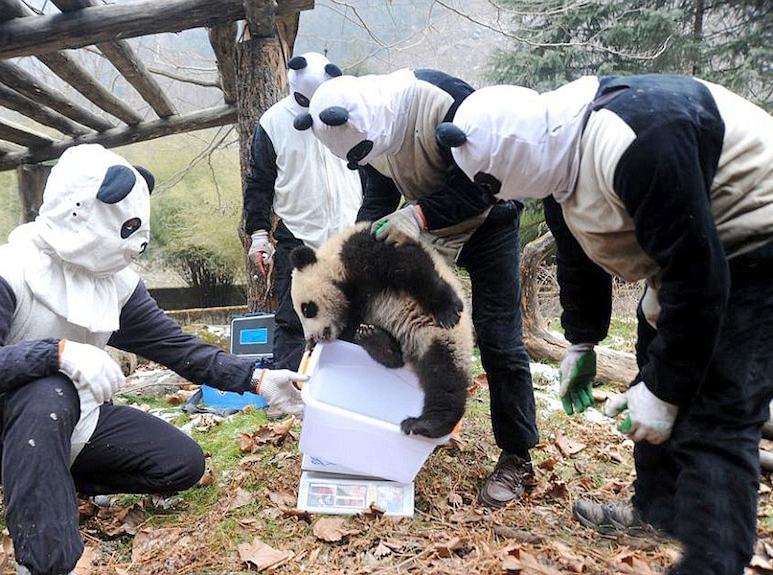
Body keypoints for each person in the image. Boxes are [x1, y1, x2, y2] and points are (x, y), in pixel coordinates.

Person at [435, 73, 773, 575]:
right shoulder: (555, 157)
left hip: (754, 247)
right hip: (696, 256)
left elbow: (699, 281)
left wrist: (665, 390)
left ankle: (713, 561)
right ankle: (658, 509)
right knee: (651, 367)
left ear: (511, 157)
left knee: (713, 413)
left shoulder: (636, 141)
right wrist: (583, 340)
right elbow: (578, 252)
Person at [0, 143, 308, 575]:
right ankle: (46, 563)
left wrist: (257, 380)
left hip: (76, 417)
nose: (136, 245)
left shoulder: (114, 281)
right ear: (79, 211)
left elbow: (176, 346)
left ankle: (48, 483)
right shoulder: (5, 269)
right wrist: (56, 354)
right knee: (48, 389)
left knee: (181, 463)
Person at [293, 68, 541, 508]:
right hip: (425, 225)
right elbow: (377, 199)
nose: (361, 162)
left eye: (360, 155)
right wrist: (354, 245)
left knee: (500, 338)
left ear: (367, 121)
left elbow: (484, 183)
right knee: (382, 318)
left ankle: (516, 455)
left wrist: (420, 216)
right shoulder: (366, 130)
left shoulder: (444, 102)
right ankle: (392, 411)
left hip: (489, 217)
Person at [243, 52, 362, 372]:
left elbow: (367, 164)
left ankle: (343, 387)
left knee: (353, 313)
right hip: (297, 235)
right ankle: (289, 388)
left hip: (347, 231)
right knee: (293, 318)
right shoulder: (273, 121)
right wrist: (258, 235)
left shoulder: (347, 110)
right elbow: (259, 182)